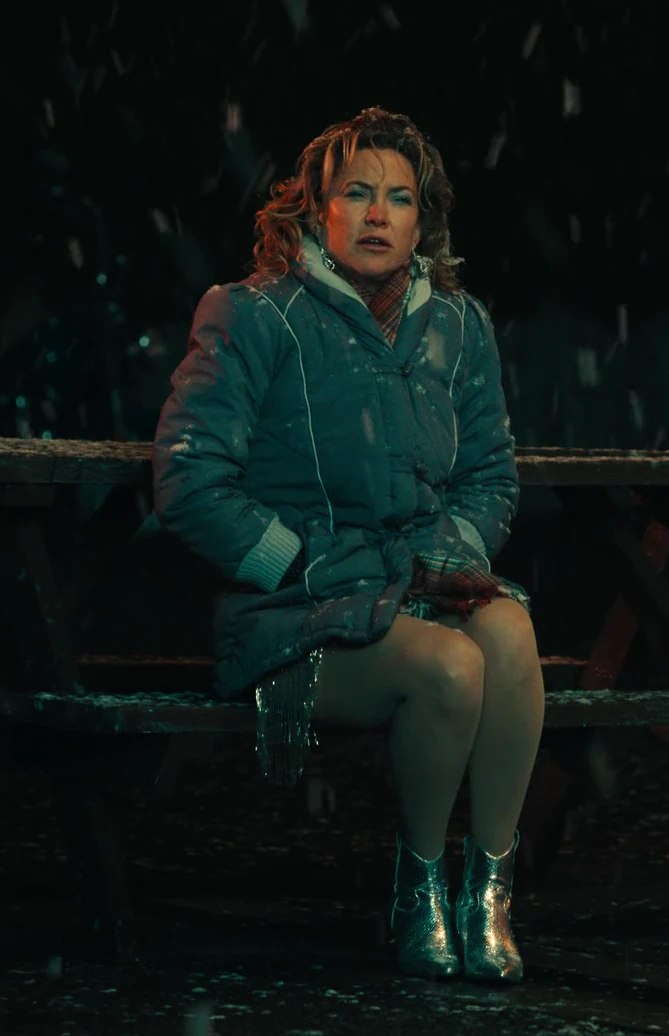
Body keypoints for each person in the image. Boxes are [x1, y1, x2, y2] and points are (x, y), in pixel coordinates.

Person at [151, 108, 543, 982]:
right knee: (450, 668)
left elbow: (489, 473)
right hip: (297, 612)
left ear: (422, 219)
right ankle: (418, 888)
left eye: (398, 198)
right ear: (314, 207)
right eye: (356, 193)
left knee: (509, 634)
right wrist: (299, 563)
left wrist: (449, 559)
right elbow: (189, 479)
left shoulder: (457, 324)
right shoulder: (253, 315)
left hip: (412, 588)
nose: (376, 215)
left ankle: (487, 895)